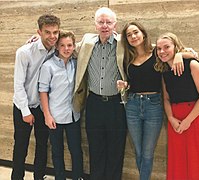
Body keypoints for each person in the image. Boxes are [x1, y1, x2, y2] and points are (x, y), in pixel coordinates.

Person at [117, 22, 198, 180]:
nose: (133, 37)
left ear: (143, 33)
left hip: (153, 105)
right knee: (138, 151)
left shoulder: (157, 51)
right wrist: (125, 85)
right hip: (132, 105)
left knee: (148, 152)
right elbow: (134, 81)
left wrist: (180, 55)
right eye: (129, 35)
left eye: (136, 32)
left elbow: (192, 54)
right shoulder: (127, 57)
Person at [73, 7, 127, 180]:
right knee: (95, 148)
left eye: (108, 22)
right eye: (101, 22)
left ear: (115, 25)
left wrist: (182, 54)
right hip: (94, 103)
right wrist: (38, 40)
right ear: (95, 24)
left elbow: (151, 49)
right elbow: (64, 47)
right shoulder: (87, 42)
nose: (105, 26)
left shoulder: (124, 43)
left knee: (116, 149)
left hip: (116, 105)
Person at [155, 32, 199, 180]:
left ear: (175, 47)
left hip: (197, 116)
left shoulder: (193, 64)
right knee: (178, 160)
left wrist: (189, 120)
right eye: (159, 48)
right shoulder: (164, 71)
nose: (162, 51)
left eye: (166, 47)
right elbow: (166, 99)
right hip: (175, 118)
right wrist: (170, 118)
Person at [12, 14, 60, 180]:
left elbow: (74, 43)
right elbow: (18, 85)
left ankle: (39, 176)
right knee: (21, 146)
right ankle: (16, 177)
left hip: (43, 107)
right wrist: (25, 111)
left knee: (42, 145)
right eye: (47, 32)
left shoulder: (57, 49)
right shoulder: (24, 52)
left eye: (55, 32)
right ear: (39, 32)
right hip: (23, 105)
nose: (52, 36)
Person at [38, 30, 83, 180]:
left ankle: (78, 177)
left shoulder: (76, 64)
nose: (66, 48)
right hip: (55, 117)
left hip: (73, 115)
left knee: (76, 150)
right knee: (57, 151)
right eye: (62, 45)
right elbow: (43, 91)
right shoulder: (48, 66)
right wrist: (47, 115)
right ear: (57, 46)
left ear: (74, 46)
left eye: (70, 45)